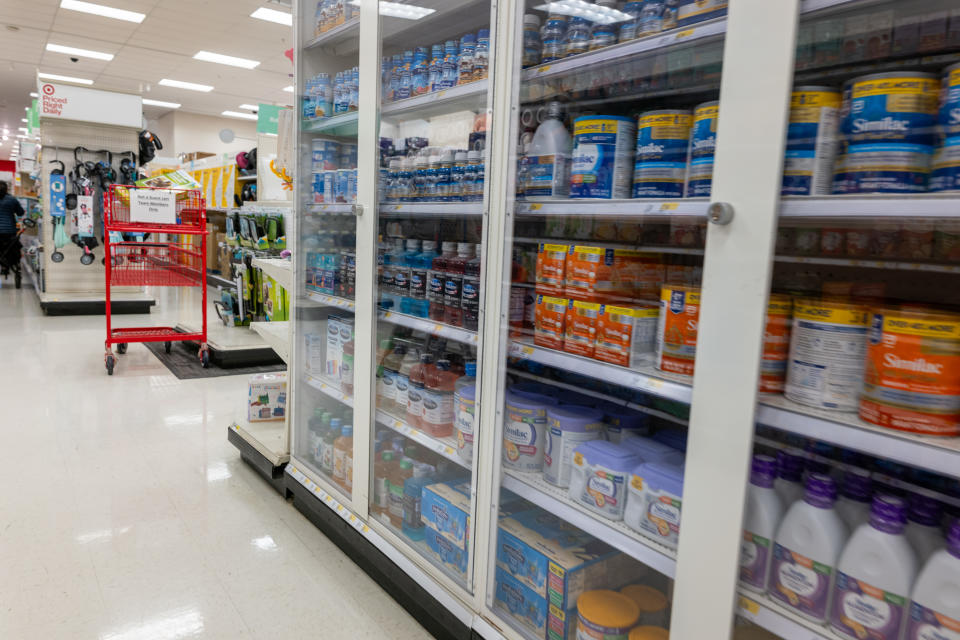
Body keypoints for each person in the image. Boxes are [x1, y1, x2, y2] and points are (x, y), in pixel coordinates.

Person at [0, 181, 25, 275]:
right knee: (10, 248)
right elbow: (21, 213)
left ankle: (3, 266)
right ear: (6, 189)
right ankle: (10, 265)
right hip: (9, 231)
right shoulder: (12, 199)